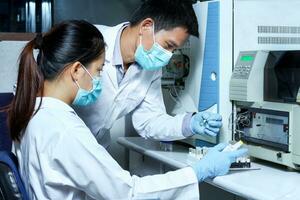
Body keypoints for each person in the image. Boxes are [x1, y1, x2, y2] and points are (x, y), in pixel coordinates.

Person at [6, 20, 247, 200]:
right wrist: (198, 173)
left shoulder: (34, 113)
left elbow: (148, 121)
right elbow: (128, 193)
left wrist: (189, 122)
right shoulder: (64, 129)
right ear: (77, 70)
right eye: (99, 70)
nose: (99, 78)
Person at [74, 0, 223, 149]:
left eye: (174, 50)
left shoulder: (151, 67)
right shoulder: (86, 39)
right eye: (168, 45)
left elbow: (149, 121)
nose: (169, 56)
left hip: (96, 149)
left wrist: (189, 123)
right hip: (61, 143)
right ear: (146, 26)